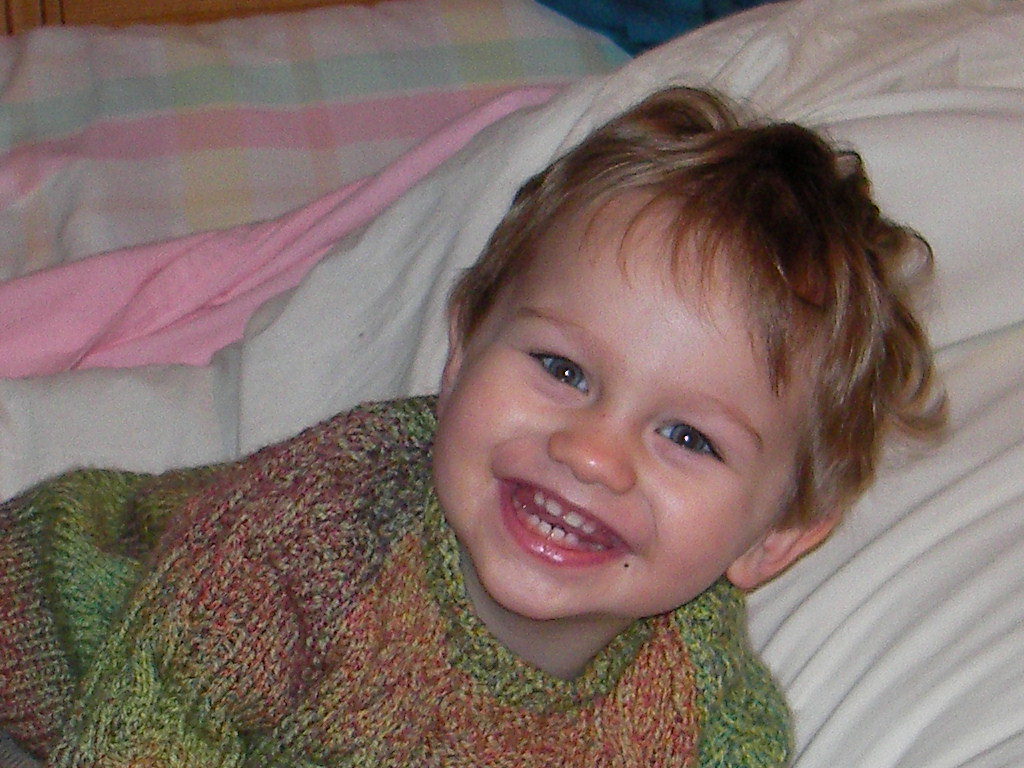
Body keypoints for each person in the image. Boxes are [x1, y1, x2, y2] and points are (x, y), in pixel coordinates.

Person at [0, 86, 944, 767]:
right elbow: (149, 725)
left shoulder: (703, 716)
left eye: (689, 438)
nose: (591, 453)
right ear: (461, 350)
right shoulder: (302, 542)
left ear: (774, 537)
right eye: (563, 370)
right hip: (64, 652)